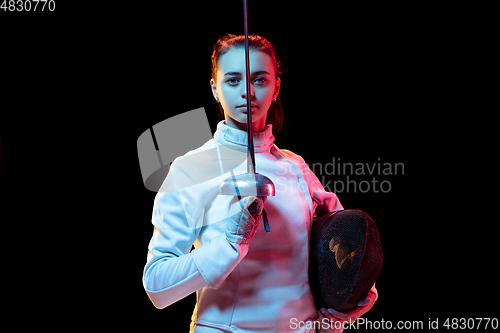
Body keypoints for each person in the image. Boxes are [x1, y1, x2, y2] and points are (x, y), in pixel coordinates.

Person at [142, 34, 378, 332]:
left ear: (276, 86)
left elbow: (344, 250)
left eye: (259, 80)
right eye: (233, 80)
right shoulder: (190, 170)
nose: (247, 92)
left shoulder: (297, 167)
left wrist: (348, 297)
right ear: (215, 88)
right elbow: (157, 288)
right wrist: (230, 243)